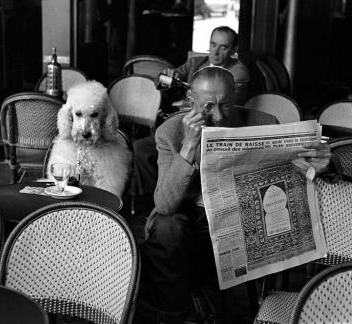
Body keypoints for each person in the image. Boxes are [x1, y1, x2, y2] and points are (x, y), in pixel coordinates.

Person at [135, 66, 339, 324]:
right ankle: (177, 317)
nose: (218, 116)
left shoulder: (264, 123)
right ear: (190, 102)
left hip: (246, 216)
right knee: (166, 228)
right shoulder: (170, 132)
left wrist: (324, 165)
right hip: (193, 217)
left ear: (236, 98)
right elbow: (164, 204)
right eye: (208, 106)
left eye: (226, 105)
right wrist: (188, 147)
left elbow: (296, 172)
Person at [134, 25, 249, 201]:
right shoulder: (196, 63)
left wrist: (190, 104)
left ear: (234, 50)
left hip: (212, 130)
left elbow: (225, 107)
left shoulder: (238, 73)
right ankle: (157, 196)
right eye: (213, 44)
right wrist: (166, 76)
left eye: (223, 47)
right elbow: (162, 79)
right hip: (181, 123)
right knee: (141, 148)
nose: (215, 52)